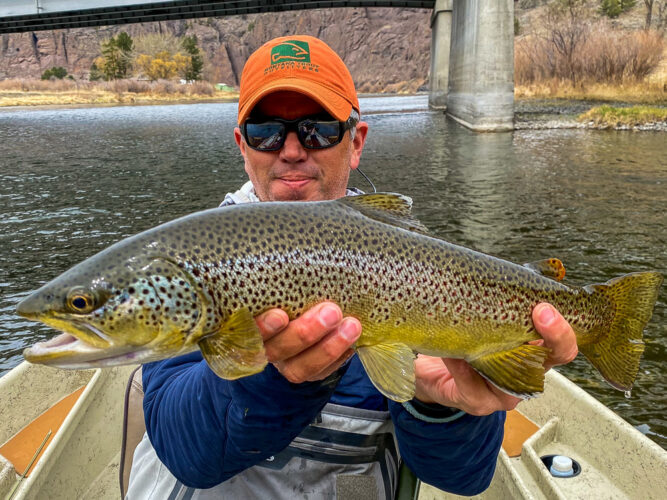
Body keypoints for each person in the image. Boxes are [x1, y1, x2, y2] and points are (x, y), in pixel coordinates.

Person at [126, 35, 578, 499]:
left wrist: (439, 405)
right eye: (266, 131)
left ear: (356, 142)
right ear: (243, 146)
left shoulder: (412, 266)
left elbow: (462, 479)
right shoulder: (196, 259)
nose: (291, 150)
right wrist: (274, 376)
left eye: (317, 128)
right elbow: (188, 455)